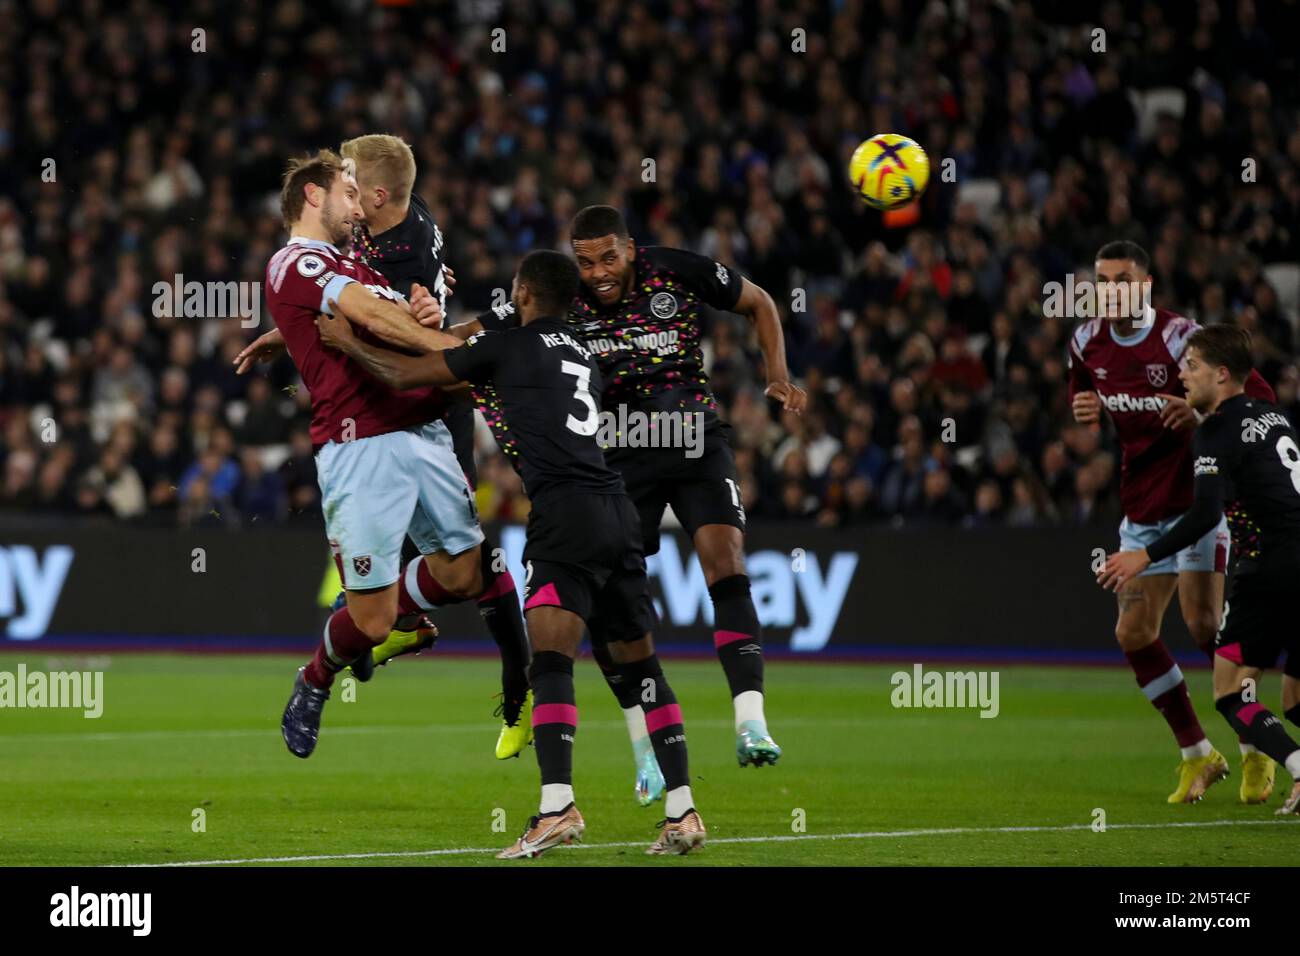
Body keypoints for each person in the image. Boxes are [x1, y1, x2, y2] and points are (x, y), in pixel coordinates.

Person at [319, 249, 706, 856]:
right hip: (617, 511)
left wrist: (345, 339)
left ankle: (557, 807)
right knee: (644, 669)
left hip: (565, 519)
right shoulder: (582, 352)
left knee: (550, 663)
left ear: (524, 292)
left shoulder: (510, 346)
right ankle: (683, 811)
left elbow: (404, 373)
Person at [450, 205, 806, 802]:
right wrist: (415, 325)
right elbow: (472, 334)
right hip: (618, 459)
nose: (598, 273)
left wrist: (777, 373)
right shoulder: (560, 297)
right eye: (585, 262)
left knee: (726, 562)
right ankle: (644, 752)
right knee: (616, 611)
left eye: (608, 258)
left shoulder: (677, 270)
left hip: (694, 442)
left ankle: (751, 723)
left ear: (632, 249)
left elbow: (760, 302)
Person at [237, 135, 533, 758]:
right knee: (370, 622)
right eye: (347, 193)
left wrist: (426, 306)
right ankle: (315, 676)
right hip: (360, 444)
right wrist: (448, 349)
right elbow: (369, 317)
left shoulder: (362, 261)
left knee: (461, 572)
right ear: (314, 196)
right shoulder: (297, 264)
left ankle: (419, 627)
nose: (357, 208)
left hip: (423, 430)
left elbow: (394, 308)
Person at [1069, 239, 1277, 803]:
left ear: (1145, 285)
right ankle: (1197, 754)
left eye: (1122, 280)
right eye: (1102, 280)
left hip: (1197, 501)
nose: (1110, 291)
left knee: (1206, 625)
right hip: (1141, 506)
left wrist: (1203, 409)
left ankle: (1256, 745)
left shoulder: (1182, 338)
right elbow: (1083, 385)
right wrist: (1083, 406)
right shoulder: (1086, 338)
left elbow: (1256, 398)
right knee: (1133, 631)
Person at [1099, 326, 1300, 814]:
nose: (1182, 375)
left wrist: (1144, 556)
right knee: (1294, 701)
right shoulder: (1277, 417)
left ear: (1222, 374)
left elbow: (1206, 514)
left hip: (1271, 569)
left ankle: (1293, 764)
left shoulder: (1213, 432)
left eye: (1192, 366)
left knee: (1230, 692)